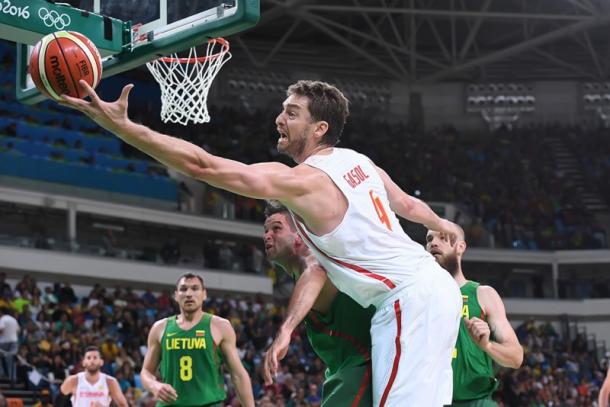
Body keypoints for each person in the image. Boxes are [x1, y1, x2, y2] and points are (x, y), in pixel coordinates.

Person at [60, 79, 462, 406]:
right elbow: (408, 205)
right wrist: (443, 223)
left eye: (292, 112)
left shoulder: (306, 181)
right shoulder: (360, 162)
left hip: (409, 300)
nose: (279, 118)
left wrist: (122, 127)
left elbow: (203, 165)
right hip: (432, 292)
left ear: (319, 128)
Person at [263, 201, 374, 406]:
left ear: (301, 235)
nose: (267, 235)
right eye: (266, 230)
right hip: (346, 368)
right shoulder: (300, 276)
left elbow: (315, 271)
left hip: (367, 362)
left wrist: (285, 331)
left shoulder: (316, 261)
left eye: (276, 228)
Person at [425, 228, 523, 406]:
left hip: (475, 401)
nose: (433, 243)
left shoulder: (482, 294)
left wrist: (487, 345)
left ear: (460, 247)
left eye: (442, 238)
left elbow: (516, 357)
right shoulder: (418, 297)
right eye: (429, 239)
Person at [140, 272, 254, 407]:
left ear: (204, 294)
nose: (189, 294)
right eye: (183, 289)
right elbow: (146, 372)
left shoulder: (220, 326)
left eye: (195, 288)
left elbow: (238, 374)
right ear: (176, 295)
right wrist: (154, 386)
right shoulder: (159, 328)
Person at [57, 346, 128, 407]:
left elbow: (124, 405)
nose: (92, 361)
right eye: (88, 358)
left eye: (95, 358)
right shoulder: (73, 380)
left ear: (101, 362)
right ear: (83, 362)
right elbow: (57, 403)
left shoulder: (110, 382)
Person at [0, 307, 19, 382]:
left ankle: (1, 373)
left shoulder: (2, 319)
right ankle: (13, 377)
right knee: (11, 360)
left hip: (4, 341)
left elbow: (2, 329)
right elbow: (18, 330)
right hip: (14, 341)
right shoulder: (13, 319)